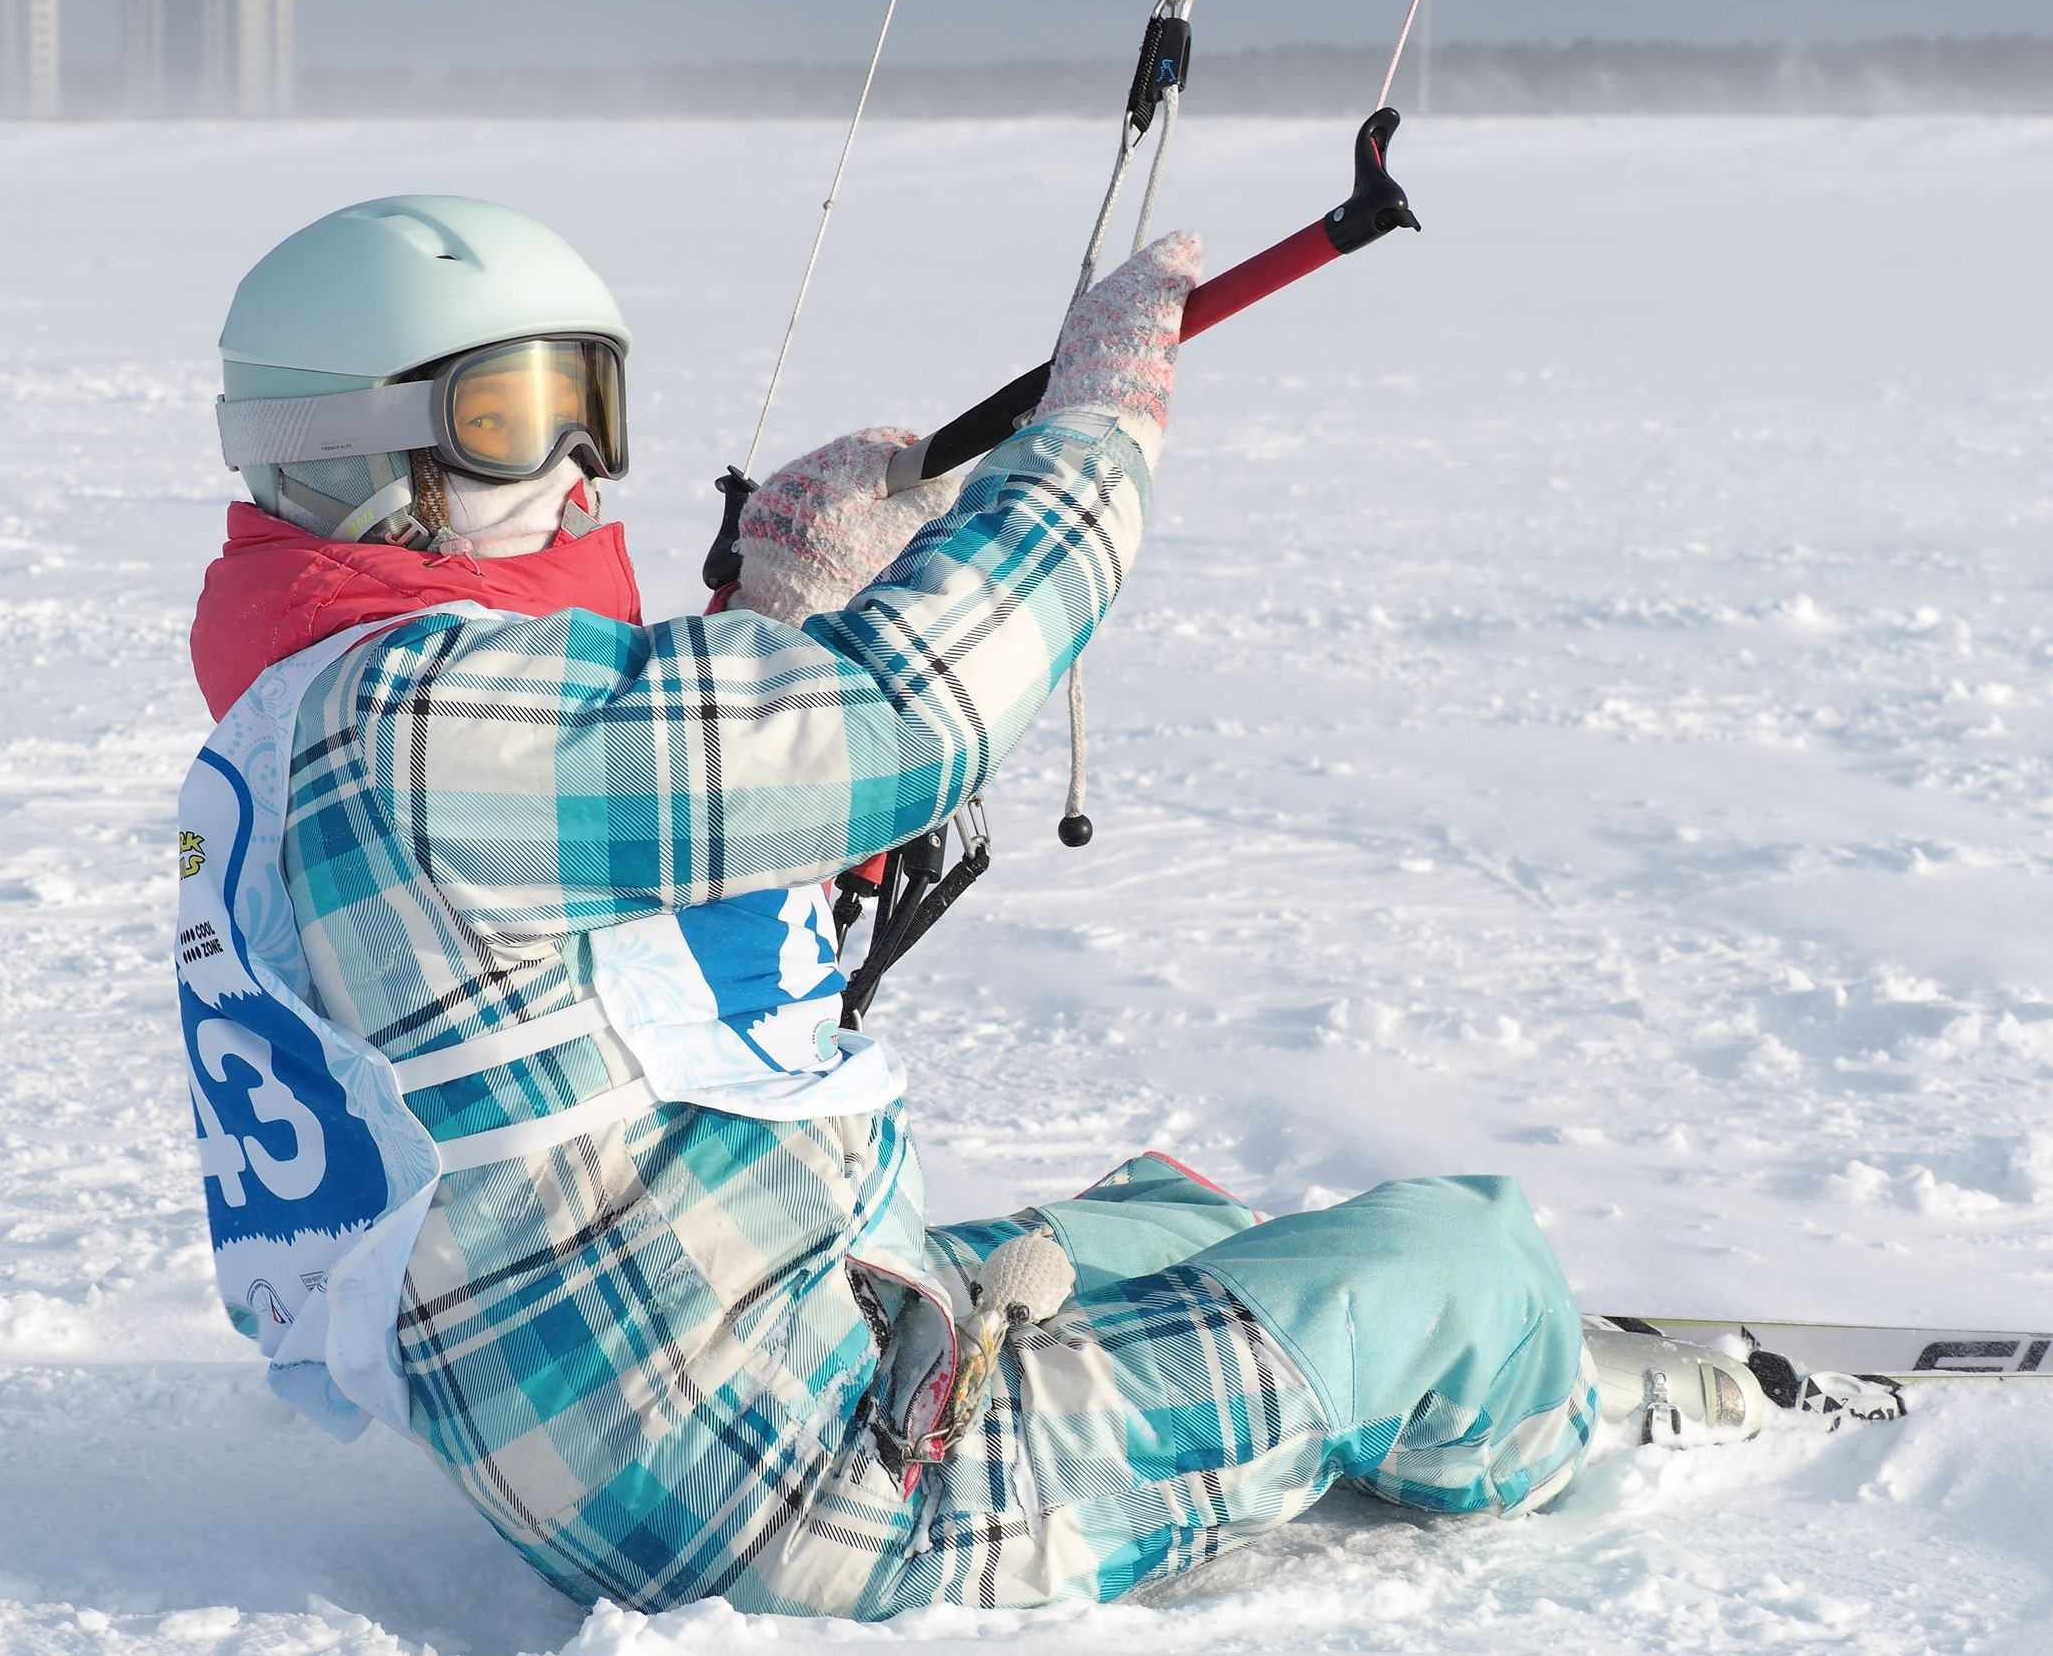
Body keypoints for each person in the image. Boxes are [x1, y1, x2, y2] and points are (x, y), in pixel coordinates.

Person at [173, 195, 1758, 1621]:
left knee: (1171, 1221)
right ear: (353, 449)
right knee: (1460, 1272)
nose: (584, 471)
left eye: (595, 407)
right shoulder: (419, 721)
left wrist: (773, 609)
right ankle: (1569, 1405)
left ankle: (1287, 1316)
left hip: (651, 1403)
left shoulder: (319, 719)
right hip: (807, 1489)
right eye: (516, 417)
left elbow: (645, 878)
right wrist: (1094, 446)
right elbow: (903, 717)